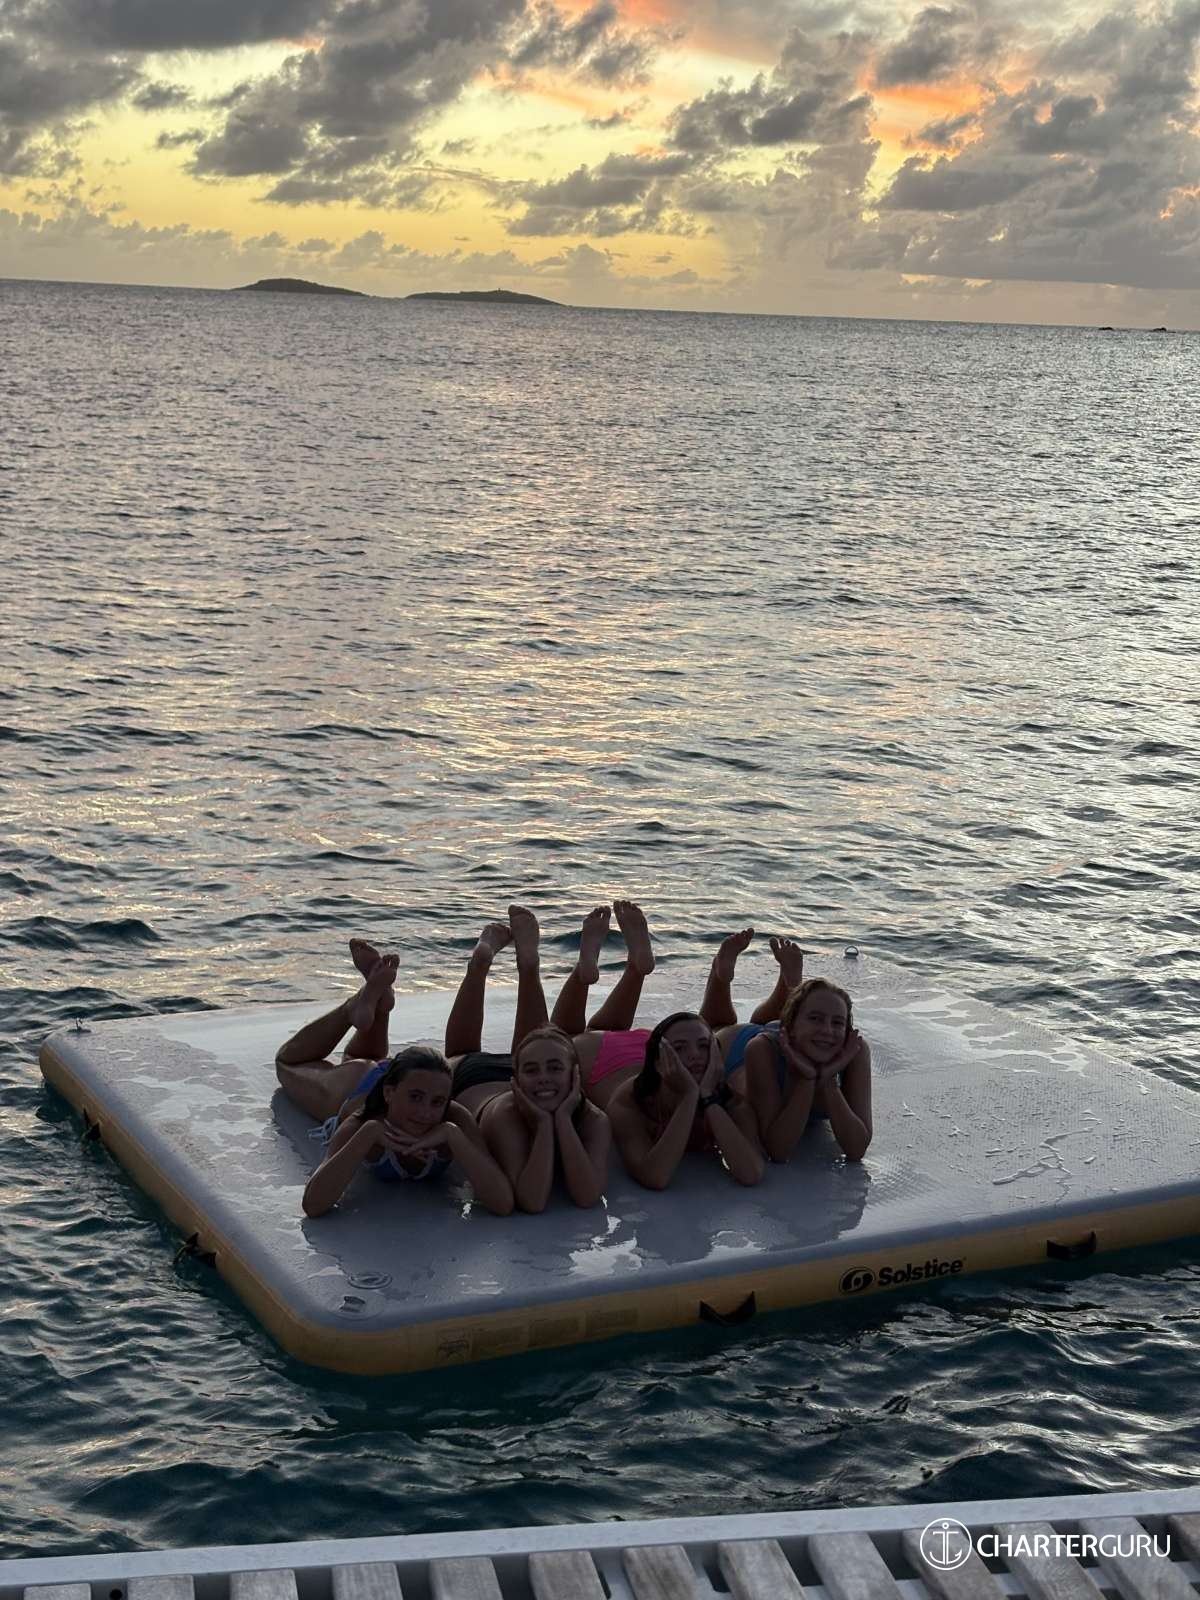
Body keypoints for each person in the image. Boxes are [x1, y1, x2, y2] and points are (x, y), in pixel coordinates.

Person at [444, 903, 617, 1211]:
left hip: (516, 1080)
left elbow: (588, 1195)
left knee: (534, 1048)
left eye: (556, 1068)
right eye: (535, 1070)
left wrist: (561, 1119)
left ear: (575, 1074)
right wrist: (545, 1123)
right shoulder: (504, 1116)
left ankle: (507, 964)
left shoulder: (593, 1118)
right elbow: (531, 1201)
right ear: (517, 1075)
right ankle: (492, 966)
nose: (545, 1077)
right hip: (473, 1079)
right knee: (461, 1054)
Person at [300, 1045, 513, 1217]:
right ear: (389, 1093)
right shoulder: (360, 1122)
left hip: (402, 1077)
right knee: (290, 1064)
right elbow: (313, 1205)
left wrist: (452, 1134)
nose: (425, 1113)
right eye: (415, 1098)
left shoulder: (455, 1118)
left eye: (437, 1102)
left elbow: (502, 1204)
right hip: (361, 1092)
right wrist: (368, 1133)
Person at [604, 1011, 765, 1189]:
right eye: (679, 1048)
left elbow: (751, 1173)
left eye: (703, 1046)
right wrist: (689, 1095)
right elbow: (655, 1177)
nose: (695, 1054)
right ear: (658, 1063)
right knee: (598, 1027)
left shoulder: (733, 1103)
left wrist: (707, 1096)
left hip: (639, 1052)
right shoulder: (629, 1103)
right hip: (607, 1056)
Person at [721, 977, 872, 1163]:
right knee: (715, 1022)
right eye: (815, 1019)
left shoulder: (855, 1052)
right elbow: (777, 1150)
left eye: (837, 1022)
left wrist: (829, 1080)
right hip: (735, 1049)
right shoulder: (761, 1049)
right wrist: (806, 1079)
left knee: (762, 1020)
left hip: (791, 1037)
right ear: (791, 1025)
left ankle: (788, 980)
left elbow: (857, 1149)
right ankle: (721, 978)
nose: (827, 1030)